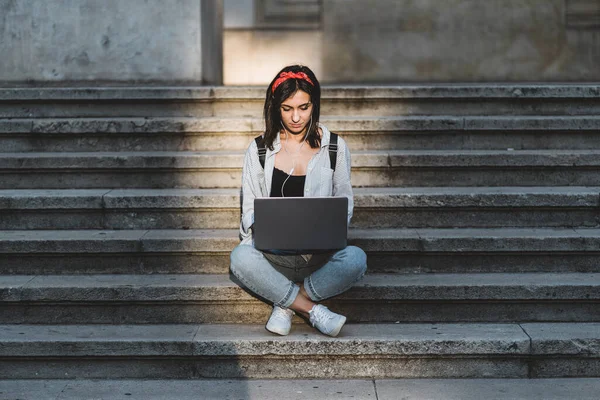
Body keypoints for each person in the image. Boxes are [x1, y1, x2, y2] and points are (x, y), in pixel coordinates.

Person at [230, 65, 367, 337]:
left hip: (318, 257)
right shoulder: (258, 149)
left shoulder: (334, 147)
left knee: (356, 259)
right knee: (240, 257)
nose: (295, 117)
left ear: (314, 104)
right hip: (272, 257)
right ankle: (312, 310)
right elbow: (249, 209)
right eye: (287, 108)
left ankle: (287, 305)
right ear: (275, 107)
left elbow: (344, 201)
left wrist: (330, 224)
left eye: (303, 108)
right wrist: (263, 224)